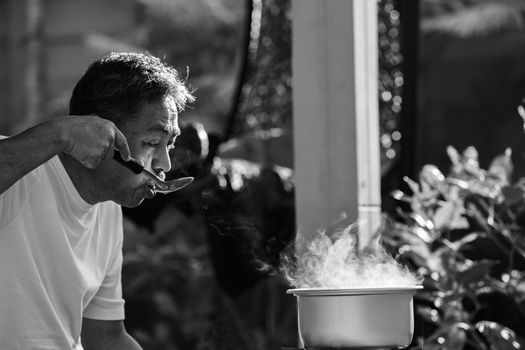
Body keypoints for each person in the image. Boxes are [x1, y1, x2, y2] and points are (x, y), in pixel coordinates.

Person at [0, 52, 195, 349]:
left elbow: (106, 338)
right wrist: (60, 132)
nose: (165, 165)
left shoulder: (108, 209)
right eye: (153, 143)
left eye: (169, 145)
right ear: (99, 131)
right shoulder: (21, 173)